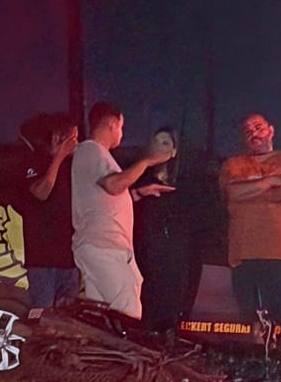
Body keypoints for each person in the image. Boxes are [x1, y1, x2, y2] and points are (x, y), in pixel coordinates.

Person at [220, 113, 281, 362]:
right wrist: (270, 182)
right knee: (255, 318)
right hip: (246, 254)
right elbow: (233, 193)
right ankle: (261, 364)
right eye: (247, 130)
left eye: (258, 127)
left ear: (271, 130)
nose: (254, 133)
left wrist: (254, 193)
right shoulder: (234, 165)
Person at [72, 103, 171, 318]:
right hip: (106, 247)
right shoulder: (91, 150)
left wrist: (139, 193)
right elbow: (113, 185)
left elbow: (106, 197)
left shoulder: (94, 155)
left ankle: (96, 352)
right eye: (121, 127)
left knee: (101, 318)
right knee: (127, 311)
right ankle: (128, 352)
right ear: (112, 123)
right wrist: (146, 161)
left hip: (98, 246)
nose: (121, 133)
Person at [13, 114, 79, 308]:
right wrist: (58, 156)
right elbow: (41, 192)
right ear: (57, 137)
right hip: (43, 261)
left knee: (69, 320)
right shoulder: (35, 162)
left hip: (69, 260)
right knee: (43, 317)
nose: (76, 143)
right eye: (72, 138)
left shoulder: (71, 167)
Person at [131, 130, 194, 336]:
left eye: (165, 143)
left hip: (175, 264)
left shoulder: (185, 186)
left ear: (174, 151)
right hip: (146, 260)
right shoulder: (136, 178)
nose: (159, 148)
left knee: (171, 320)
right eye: (156, 142)